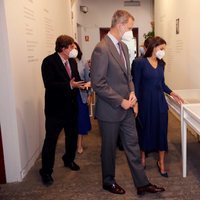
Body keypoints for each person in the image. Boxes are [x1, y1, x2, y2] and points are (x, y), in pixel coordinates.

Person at [91, 10, 165, 196]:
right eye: (130, 27)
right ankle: (108, 181)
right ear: (120, 24)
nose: (130, 31)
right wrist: (120, 101)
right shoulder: (102, 48)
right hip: (109, 110)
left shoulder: (123, 47)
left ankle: (142, 184)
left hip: (127, 107)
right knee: (108, 150)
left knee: (133, 145)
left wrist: (132, 94)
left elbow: (128, 76)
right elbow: (98, 83)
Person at [131, 36, 184, 177]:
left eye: (164, 49)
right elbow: (135, 85)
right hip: (145, 103)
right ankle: (142, 157)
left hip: (160, 103)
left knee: (161, 132)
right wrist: (135, 103)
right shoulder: (139, 63)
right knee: (144, 131)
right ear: (153, 47)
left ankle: (161, 162)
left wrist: (173, 93)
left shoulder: (161, 64)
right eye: (161, 48)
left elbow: (161, 84)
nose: (163, 51)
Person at [39, 35, 85, 186]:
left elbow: (76, 79)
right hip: (55, 110)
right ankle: (46, 171)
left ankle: (68, 160)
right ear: (63, 48)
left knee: (71, 136)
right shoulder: (49, 62)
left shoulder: (71, 61)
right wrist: (70, 85)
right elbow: (50, 85)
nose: (74, 49)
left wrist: (84, 84)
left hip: (71, 107)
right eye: (72, 47)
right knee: (51, 141)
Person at [74, 42, 91, 154]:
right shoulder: (65, 63)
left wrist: (89, 94)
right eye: (71, 48)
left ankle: (79, 144)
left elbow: (87, 79)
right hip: (69, 96)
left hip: (80, 95)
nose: (73, 50)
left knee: (81, 120)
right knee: (71, 121)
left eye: (75, 48)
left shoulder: (83, 62)